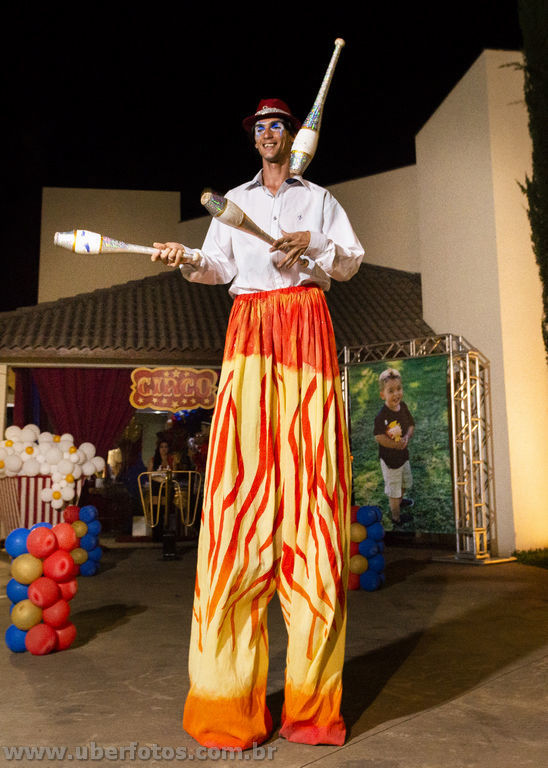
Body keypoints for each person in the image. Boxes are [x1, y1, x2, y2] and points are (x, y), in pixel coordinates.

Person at [152, 98, 364, 749]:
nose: (269, 135)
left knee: (314, 510)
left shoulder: (319, 198)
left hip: (305, 324)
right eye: (260, 128)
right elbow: (217, 269)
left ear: (292, 135)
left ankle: (312, 709)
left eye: (278, 125)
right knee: (239, 503)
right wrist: (184, 260)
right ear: (253, 140)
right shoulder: (233, 201)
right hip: (249, 329)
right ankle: (225, 705)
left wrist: (316, 244)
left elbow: (350, 261)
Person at [373, 368, 415, 526]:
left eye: (398, 389)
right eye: (391, 391)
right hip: (391, 462)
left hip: (403, 457)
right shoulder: (381, 416)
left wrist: (407, 437)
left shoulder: (403, 407)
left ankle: (400, 499)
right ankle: (396, 517)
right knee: (393, 488)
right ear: (382, 395)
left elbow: (411, 425)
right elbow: (378, 436)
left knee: (404, 483)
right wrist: (394, 445)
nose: (396, 394)